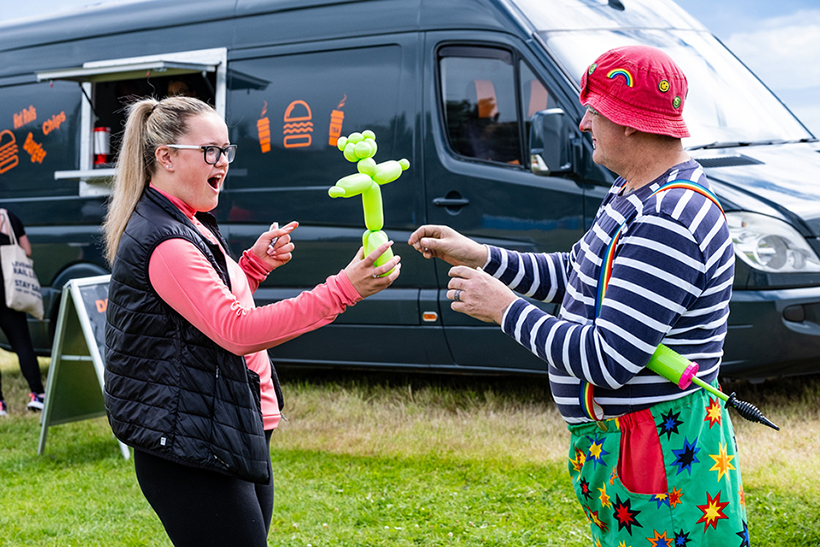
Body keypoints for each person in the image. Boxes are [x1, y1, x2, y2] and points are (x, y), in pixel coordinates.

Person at [409, 46, 748, 546]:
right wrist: (480, 255)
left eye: (595, 110)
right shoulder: (634, 192)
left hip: (658, 449)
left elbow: (609, 358)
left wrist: (505, 309)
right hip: (631, 445)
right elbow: (577, 276)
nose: (584, 122)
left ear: (629, 123)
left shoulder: (669, 220)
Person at [103, 95, 400, 547]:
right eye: (210, 151)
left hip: (221, 428)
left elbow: (200, 312)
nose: (222, 162)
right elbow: (236, 331)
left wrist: (254, 267)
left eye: (226, 150)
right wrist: (344, 289)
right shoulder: (166, 240)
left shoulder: (190, 222)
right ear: (165, 157)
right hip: (190, 445)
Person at [0, 208, 45, 416]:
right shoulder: (9, 217)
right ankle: (38, 395)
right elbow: (26, 250)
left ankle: (0, 405)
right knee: (23, 345)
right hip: (11, 294)